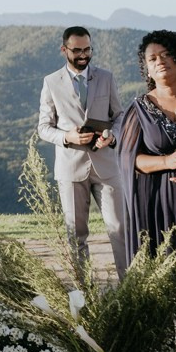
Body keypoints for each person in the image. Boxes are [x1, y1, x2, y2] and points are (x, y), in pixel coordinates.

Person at [37, 26, 127, 276]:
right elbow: (43, 128)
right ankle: (84, 294)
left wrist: (112, 136)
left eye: (87, 49)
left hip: (107, 166)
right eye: (77, 50)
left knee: (120, 229)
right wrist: (67, 136)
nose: (83, 55)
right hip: (71, 168)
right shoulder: (51, 82)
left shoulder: (106, 77)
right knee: (76, 234)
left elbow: (119, 116)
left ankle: (131, 289)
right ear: (64, 49)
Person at [114, 29, 176, 272]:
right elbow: (129, 159)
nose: (160, 61)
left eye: (166, 55)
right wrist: (167, 161)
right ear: (147, 69)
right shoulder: (139, 109)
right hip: (158, 203)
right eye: (152, 58)